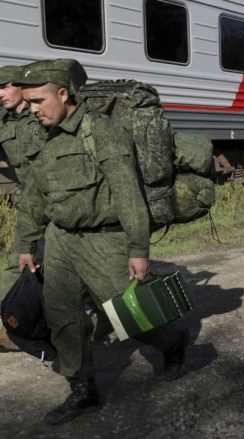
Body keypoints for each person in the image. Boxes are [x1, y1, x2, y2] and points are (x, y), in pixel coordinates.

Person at [12, 59, 188, 425]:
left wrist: (138, 248)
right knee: (63, 319)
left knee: (133, 314)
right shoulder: (42, 136)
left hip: (105, 241)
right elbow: (33, 196)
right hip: (60, 241)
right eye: (27, 102)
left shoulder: (101, 130)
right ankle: (83, 390)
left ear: (63, 94)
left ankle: (172, 341)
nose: (32, 110)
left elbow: (127, 193)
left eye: (39, 101)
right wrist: (26, 243)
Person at [0, 64, 39, 295]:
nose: (0, 94)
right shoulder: (4, 119)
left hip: (61, 203)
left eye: (4, 87)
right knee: (19, 262)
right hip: (30, 204)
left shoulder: (42, 114)